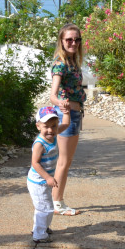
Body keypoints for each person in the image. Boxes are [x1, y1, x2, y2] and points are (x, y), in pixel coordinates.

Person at [49, 23, 85, 216]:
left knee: (66, 161)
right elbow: (53, 95)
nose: (73, 43)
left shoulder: (73, 61)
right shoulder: (61, 63)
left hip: (75, 114)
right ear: (61, 41)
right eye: (69, 39)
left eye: (77, 39)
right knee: (63, 162)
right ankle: (57, 203)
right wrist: (62, 104)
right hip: (67, 115)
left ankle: (57, 200)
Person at [27, 106, 71, 243]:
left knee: (45, 206)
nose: (50, 130)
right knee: (45, 208)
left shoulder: (54, 134)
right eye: (46, 126)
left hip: (44, 181)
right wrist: (48, 177)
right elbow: (35, 163)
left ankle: (41, 228)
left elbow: (66, 124)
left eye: (54, 126)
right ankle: (39, 235)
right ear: (38, 126)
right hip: (38, 182)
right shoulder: (40, 144)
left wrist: (66, 113)